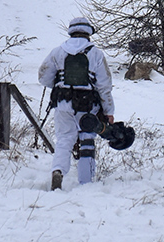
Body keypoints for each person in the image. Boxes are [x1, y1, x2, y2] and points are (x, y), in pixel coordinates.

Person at [38, 17, 115, 190]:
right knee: (87, 139)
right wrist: (109, 111)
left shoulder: (57, 52)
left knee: (64, 140)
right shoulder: (95, 54)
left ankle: (58, 171)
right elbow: (104, 86)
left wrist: (60, 85)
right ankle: (86, 183)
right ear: (89, 33)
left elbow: (43, 77)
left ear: (71, 31)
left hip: (63, 104)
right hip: (88, 106)